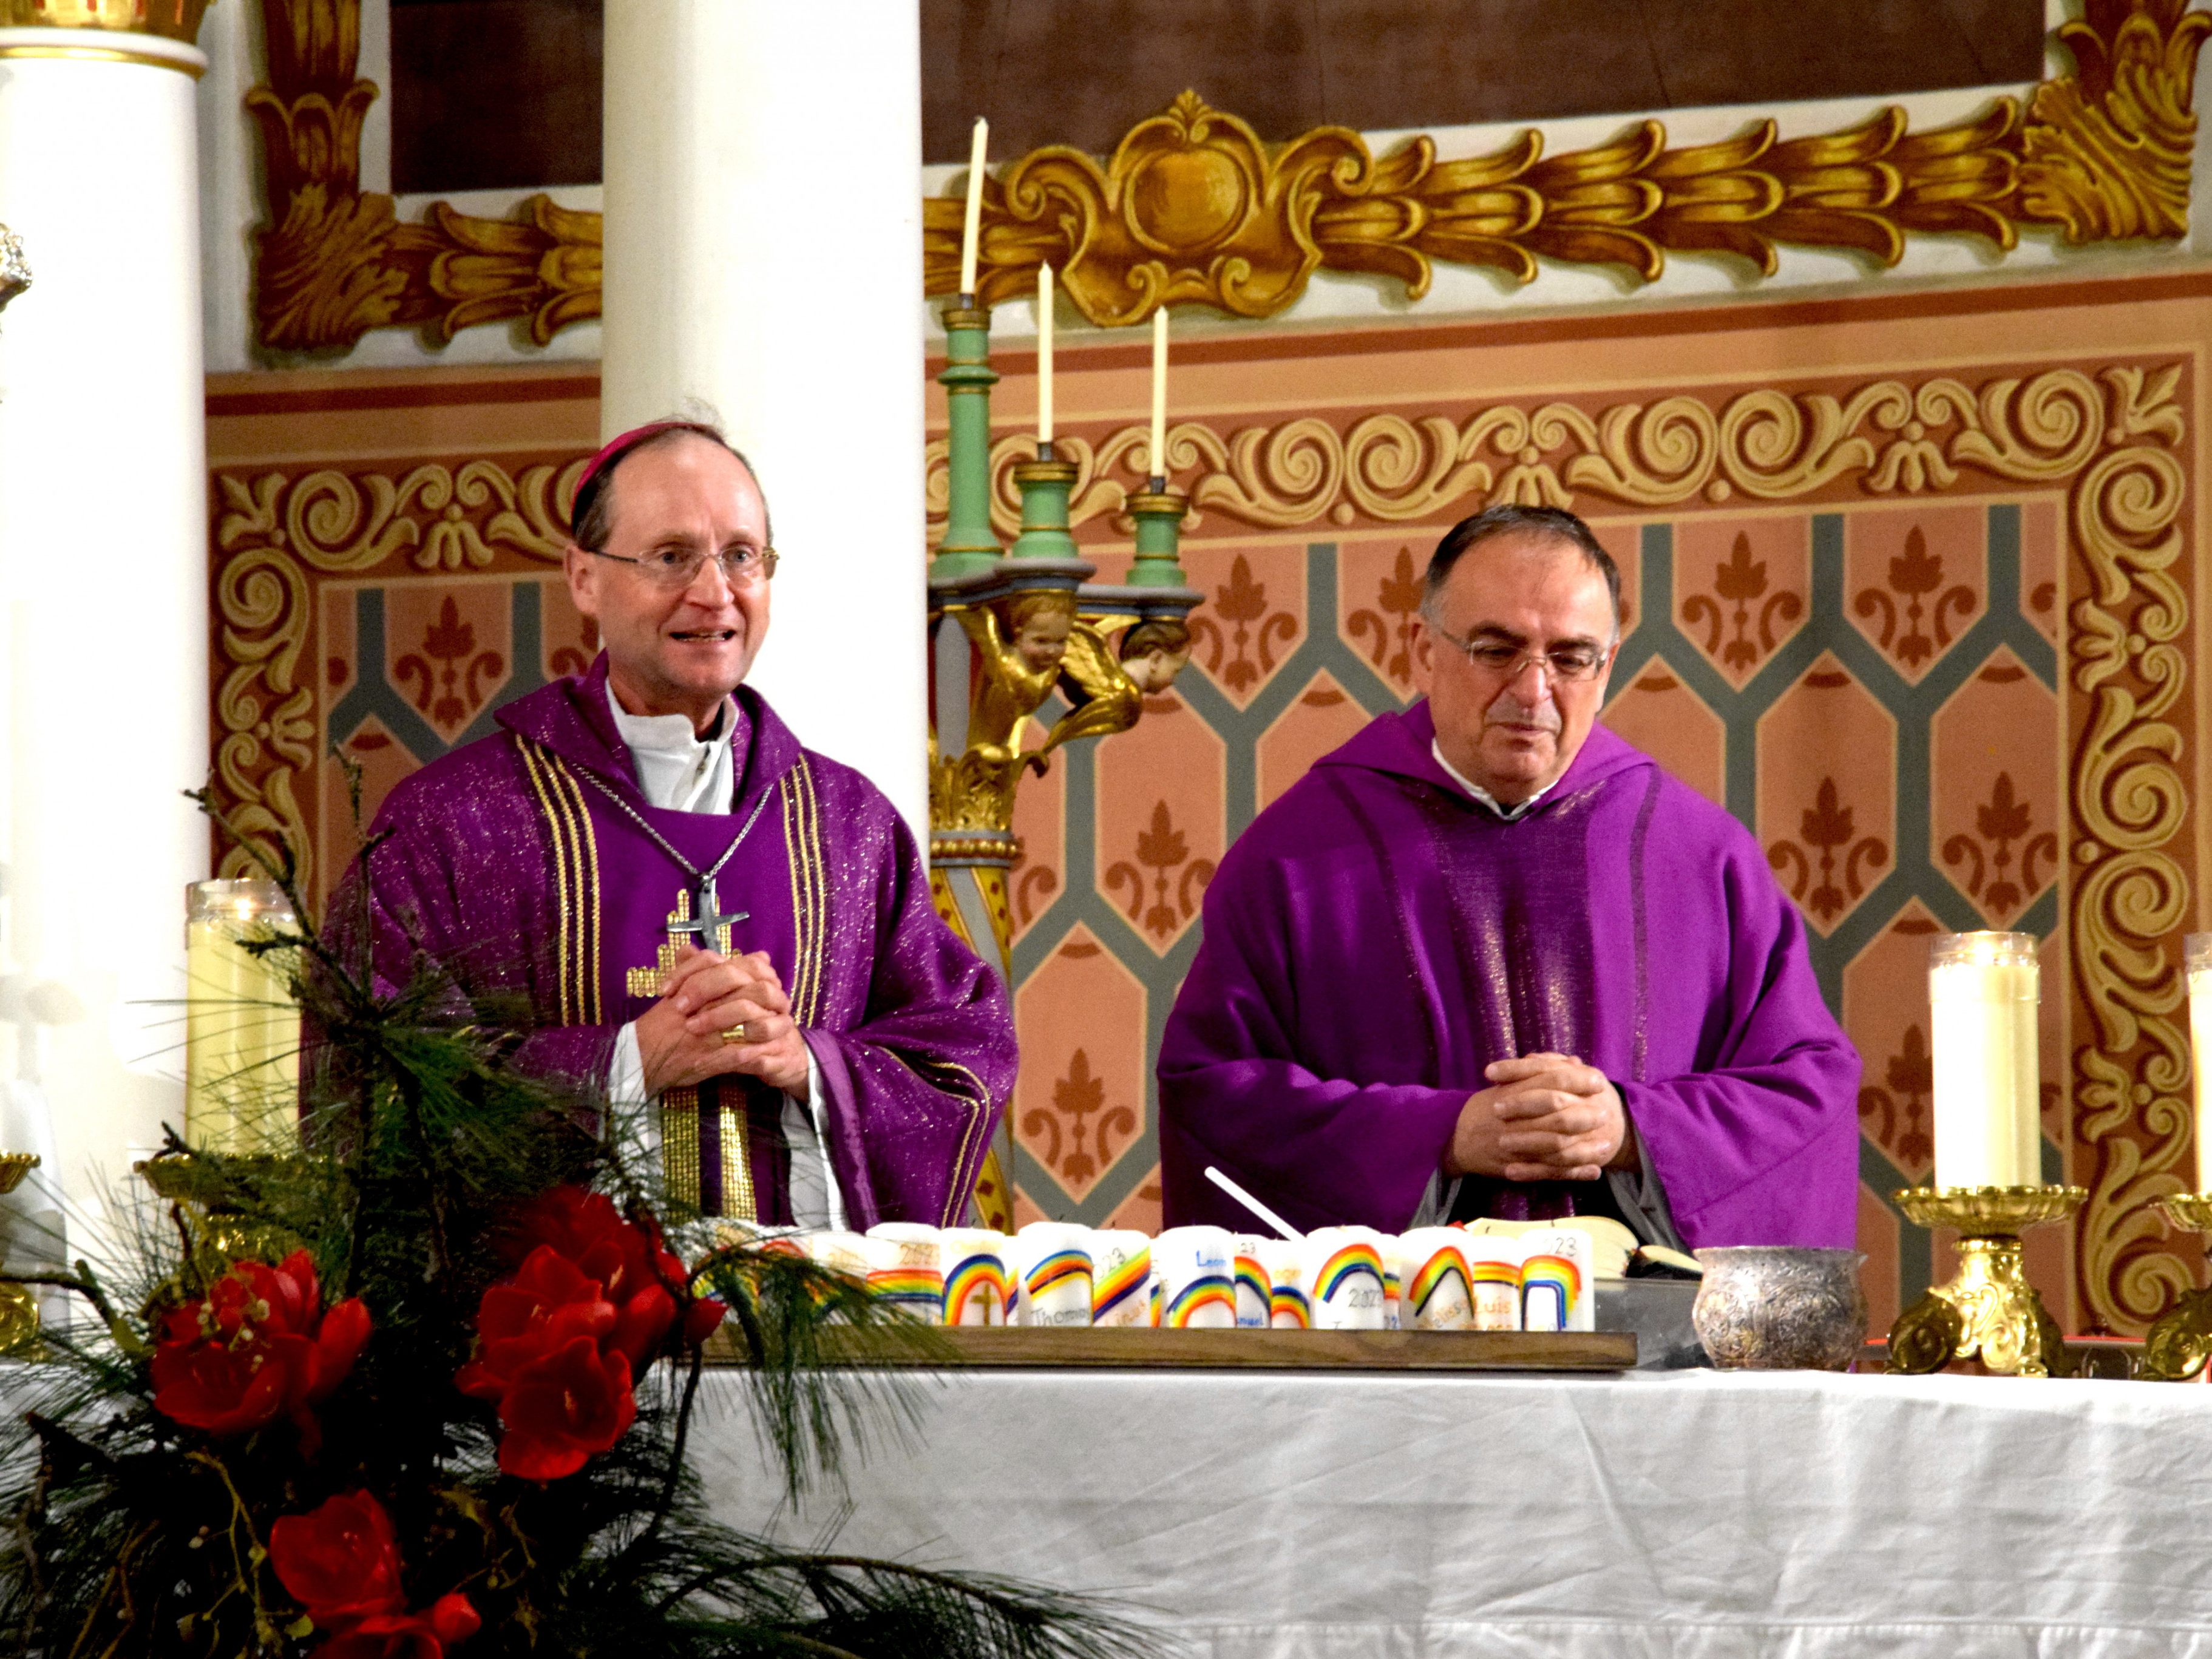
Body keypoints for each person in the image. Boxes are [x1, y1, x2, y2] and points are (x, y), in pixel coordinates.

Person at [330, 419, 1014, 1229]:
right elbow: (372, 1082)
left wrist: (808, 1064)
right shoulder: (455, 823)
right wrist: (626, 1063)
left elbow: (960, 1056)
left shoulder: (849, 828)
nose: (715, 592)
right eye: (672, 557)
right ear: (584, 577)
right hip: (560, 1341)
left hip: (821, 1334)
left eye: (741, 556)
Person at [1156, 504, 1861, 1249]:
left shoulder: (1697, 855)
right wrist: (1440, 1138)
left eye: (1569, 657)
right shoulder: (1297, 857)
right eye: (1496, 650)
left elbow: (1806, 1088)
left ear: (1608, 665)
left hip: (1644, 1344)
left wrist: (1630, 1130)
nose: (1532, 691)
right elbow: (1213, 1094)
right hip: (1393, 1345)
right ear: (1421, 648)